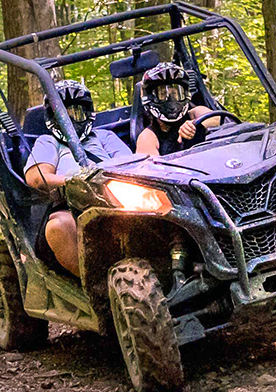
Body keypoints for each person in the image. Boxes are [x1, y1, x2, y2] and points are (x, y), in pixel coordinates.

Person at [22, 76, 131, 276]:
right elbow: (36, 177)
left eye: (77, 112)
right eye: (63, 113)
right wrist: (72, 181)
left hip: (117, 196)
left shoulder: (104, 137)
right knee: (57, 227)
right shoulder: (48, 141)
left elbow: (132, 163)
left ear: (87, 114)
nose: (71, 120)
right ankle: (94, 283)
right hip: (72, 204)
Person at [135, 60, 231, 155]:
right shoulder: (147, 137)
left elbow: (217, 118)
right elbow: (150, 168)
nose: (171, 100)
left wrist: (192, 125)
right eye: (163, 94)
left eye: (176, 93)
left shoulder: (194, 113)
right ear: (150, 98)